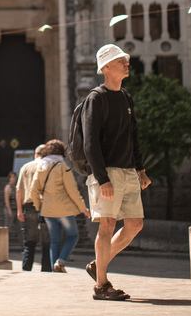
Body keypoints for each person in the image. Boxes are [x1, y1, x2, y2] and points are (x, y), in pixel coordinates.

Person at [82, 44, 151, 301]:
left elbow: (133, 136)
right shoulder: (95, 99)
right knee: (107, 225)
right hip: (107, 173)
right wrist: (101, 178)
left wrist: (141, 169)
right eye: (120, 60)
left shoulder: (125, 97)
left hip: (129, 171)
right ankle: (101, 285)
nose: (126, 63)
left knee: (135, 224)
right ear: (106, 67)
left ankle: (97, 264)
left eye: (125, 59)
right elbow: (90, 143)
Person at [30, 139, 90, 273]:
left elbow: (33, 190)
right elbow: (72, 190)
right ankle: (61, 261)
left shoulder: (40, 167)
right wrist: (83, 208)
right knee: (73, 235)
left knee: (55, 241)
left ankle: (55, 269)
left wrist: (40, 206)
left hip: (48, 211)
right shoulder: (63, 166)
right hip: (63, 210)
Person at [15, 144, 52, 272]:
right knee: (47, 242)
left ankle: (26, 270)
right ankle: (46, 270)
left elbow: (19, 189)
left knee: (29, 242)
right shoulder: (49, 166)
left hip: (29, 207)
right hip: (46, 206)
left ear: (35, 154)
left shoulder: (25, 167)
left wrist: (19, 210)